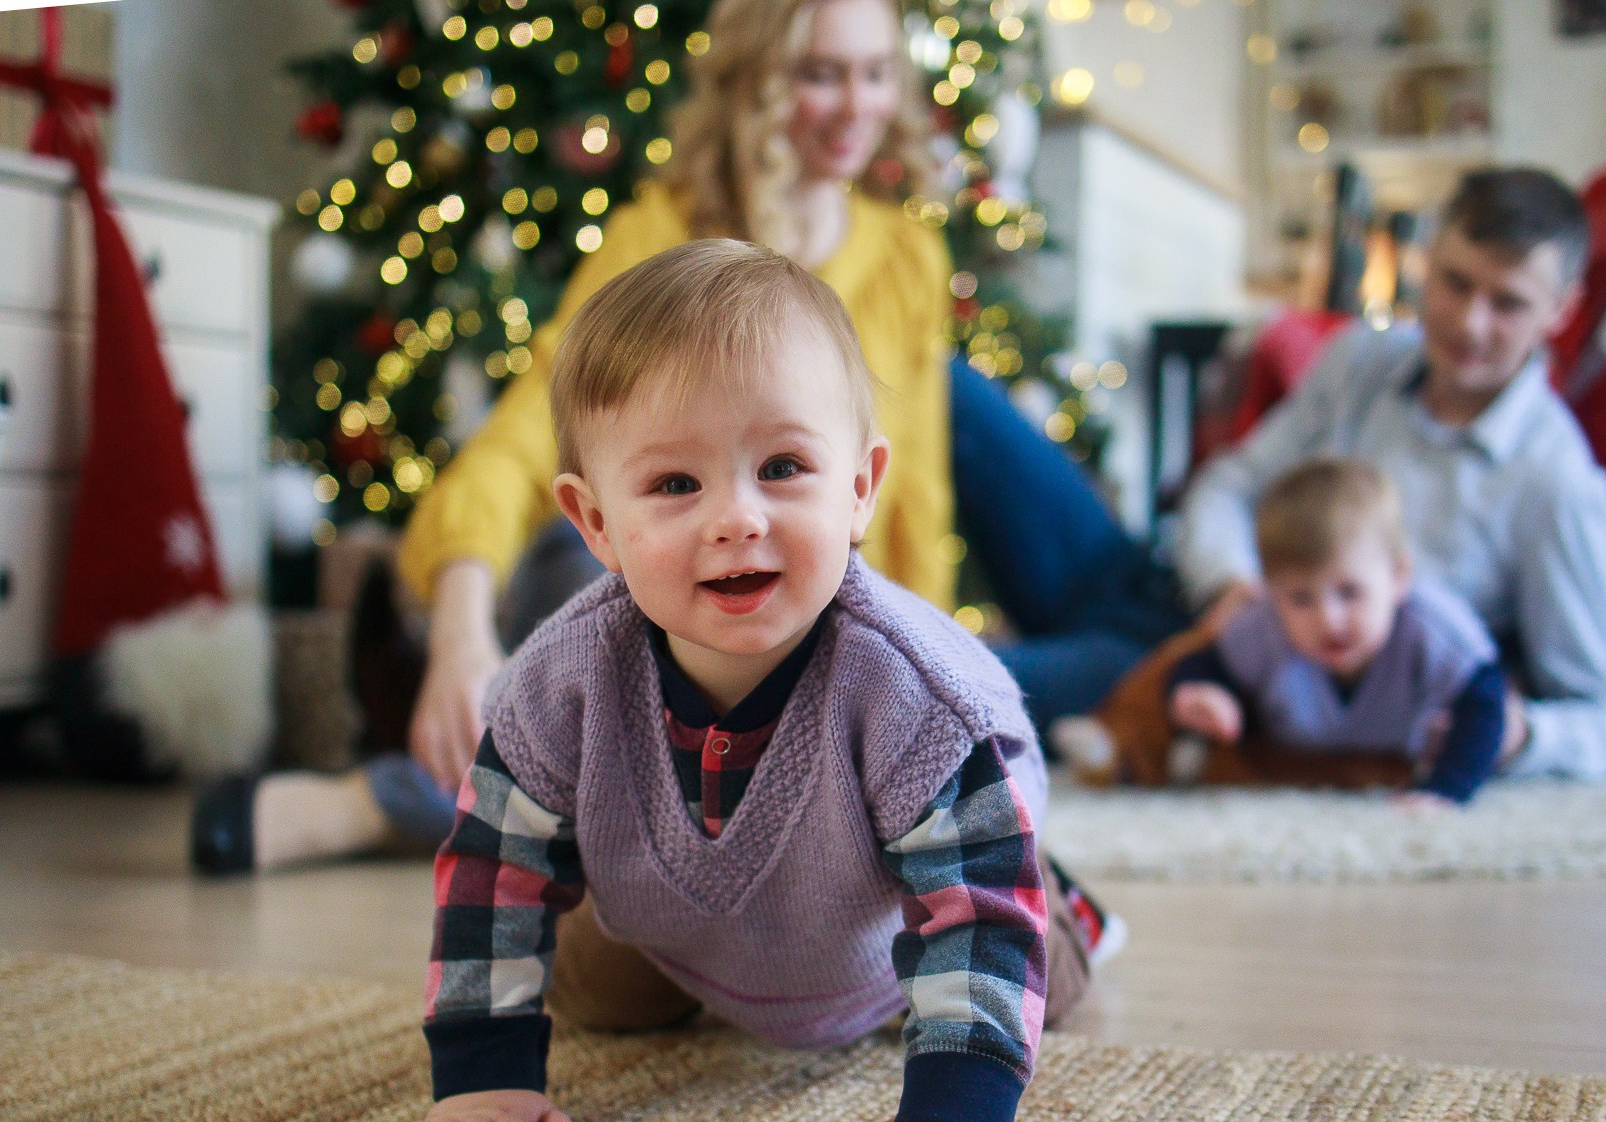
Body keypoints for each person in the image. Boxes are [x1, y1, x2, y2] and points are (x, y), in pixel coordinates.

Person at [192, 0, 1181, 874]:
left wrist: (913, 682)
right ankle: (391, 798)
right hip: (649, 599)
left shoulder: (907, 255)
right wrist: (458, 614)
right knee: (634, 681)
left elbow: (909, 489)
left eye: (876, 72)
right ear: (754, 76)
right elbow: (536, 424)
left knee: (1081, 662)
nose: (856, 104)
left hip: (815, 625)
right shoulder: (661, 230)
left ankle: (411, 797)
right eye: (818, 72)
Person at [376, 240, 1121, 1122]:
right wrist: (484, 1077)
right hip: (684, 926)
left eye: (782, 468)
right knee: (597, 988)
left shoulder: (916, 694)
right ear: (593, 522)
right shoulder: (557, 685)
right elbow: (491, 873)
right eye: (674, 484)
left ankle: (1059, 890)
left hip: (885, 927)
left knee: (1024, 967)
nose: (736, 518)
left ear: (858, 489)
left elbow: (976, 920)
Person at [1176, 168, 1606, 780]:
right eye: (1454, 282)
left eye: (1507, 303)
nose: (1469, 323)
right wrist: (1225, 585)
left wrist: (1520, 732)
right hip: (1209, 621)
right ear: (1427, 260)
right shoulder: (1359, 362)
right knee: (1001, 425)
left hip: (1249, 685)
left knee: (1017, 684)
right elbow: (1228, 485)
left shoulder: (1555, 483)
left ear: (1561, 310)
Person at [1062, 460, 1505, 803]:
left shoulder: (1432, 626)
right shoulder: (1264, 624)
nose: (1329, 619)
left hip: (1390, 760)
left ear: (1399, 577)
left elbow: (1485, 700)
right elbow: (1207, 662)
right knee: (1175, 675)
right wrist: (1204, 692)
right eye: (1301, 599)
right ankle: (1118, 746)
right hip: (1288, 753)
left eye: (1349, 593)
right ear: (1270, 592)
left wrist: (1446, 788)